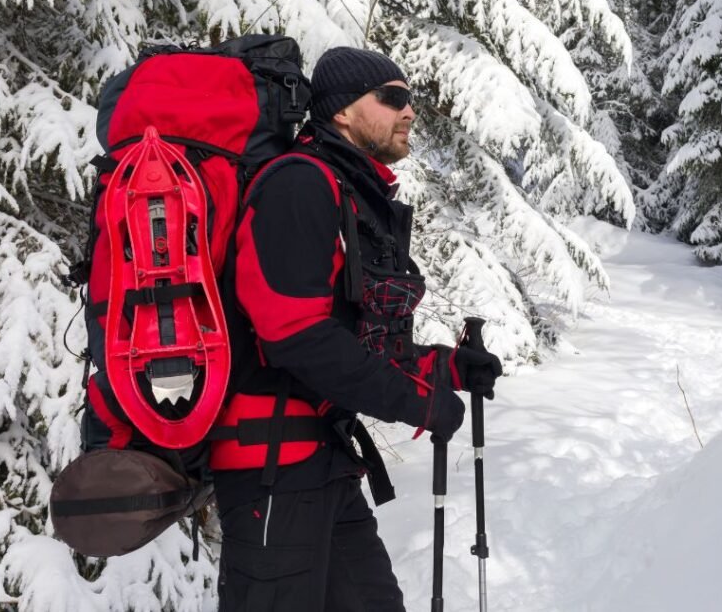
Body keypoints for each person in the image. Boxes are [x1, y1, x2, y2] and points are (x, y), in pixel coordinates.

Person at [211, 47, 503, 611]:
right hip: (271, 468)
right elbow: (295, 336)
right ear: (342, 111)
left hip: (319, 460)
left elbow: (359, 339)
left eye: (410, 98)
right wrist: (416, 403)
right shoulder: (298, 187)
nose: (410, 111)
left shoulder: (349, 193)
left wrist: (445, 368)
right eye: (392, 98)